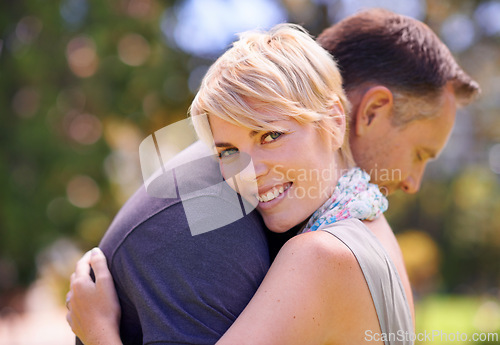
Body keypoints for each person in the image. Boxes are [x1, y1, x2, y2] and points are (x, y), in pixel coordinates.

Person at [67, 8, 480, 345]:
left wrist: (98, 329)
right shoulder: (376, 235)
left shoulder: (318, 257)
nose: (247, 172)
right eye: (227, 152)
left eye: (270, 136)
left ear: (335, 121)